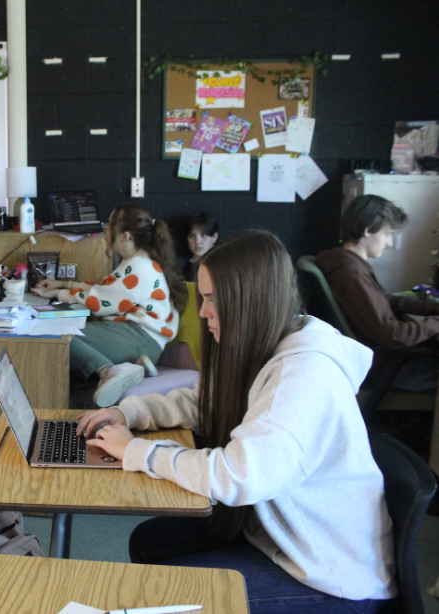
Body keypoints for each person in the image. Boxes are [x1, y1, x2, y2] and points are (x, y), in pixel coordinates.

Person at [77, 231, 396, 613]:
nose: (203, 312)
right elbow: (205, 401)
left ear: (250, 301)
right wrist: (130, 412)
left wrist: (135, 450)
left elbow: (236, 476)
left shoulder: (303, 375)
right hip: (277, 535)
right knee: (150, 542)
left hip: (328, 575)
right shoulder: (269, 342)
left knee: (162, 594)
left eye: (213, 299)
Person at [33, 204, 187, 407]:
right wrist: (63, 285)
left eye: (109, 226)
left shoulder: (139, 267)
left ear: (125, 237)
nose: (105, 230)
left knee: (55, 333)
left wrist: (59, 293)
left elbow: (98, 302)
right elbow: (104, 289)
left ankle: (110, 371)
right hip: (139, 337)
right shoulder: (138, 261)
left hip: (139, 339)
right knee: (66, 349)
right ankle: (125, 370)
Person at [316, 194, 439, 391]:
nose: (390, 243)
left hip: (381, 363)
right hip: (386, 369)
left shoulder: (346, 263)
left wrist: (432, 308)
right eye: (387, 234)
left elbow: (384, 299)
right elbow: (393, 334)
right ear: (368, 230)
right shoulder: (351, 273)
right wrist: (435, 324)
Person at [177, 211, 218, 282]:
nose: (197, 241)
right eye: (192, 236)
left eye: (203, 235)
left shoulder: (223, 265)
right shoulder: (179, 265)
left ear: (215, 237)